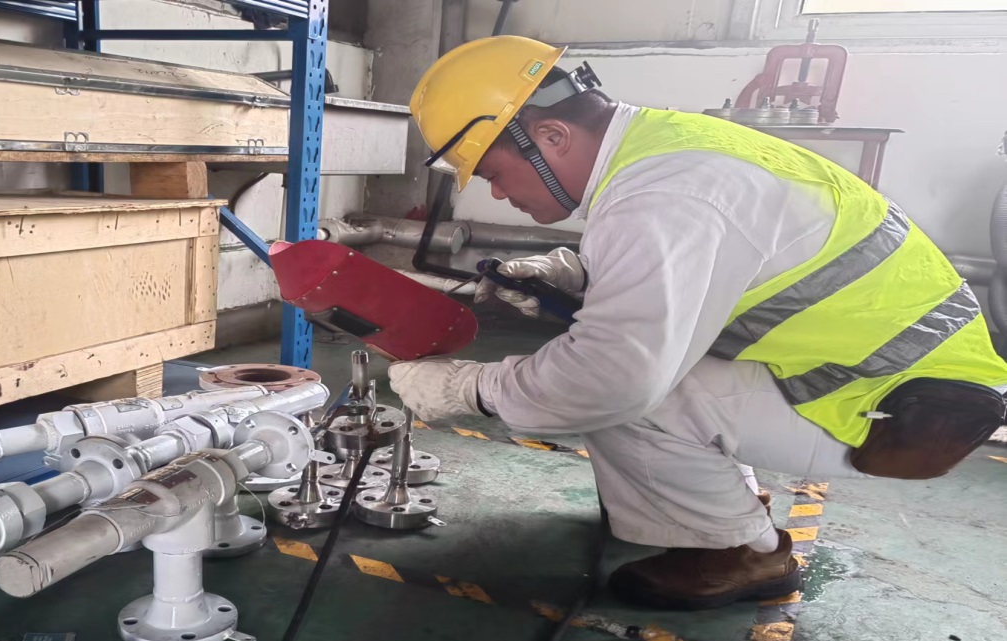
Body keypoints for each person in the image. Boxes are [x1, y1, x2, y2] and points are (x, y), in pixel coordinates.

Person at [388, 35, 1007, 610]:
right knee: (637, 365)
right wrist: (577, 274)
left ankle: (744, 554)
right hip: (901, 380)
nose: (498, 196)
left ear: (551, 136)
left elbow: (611, 376)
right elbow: (722, 266)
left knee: (623, 390)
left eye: (493, 174)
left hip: (901, 410)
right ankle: (714, 505)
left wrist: (469, 388)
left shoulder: (664, 193)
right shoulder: (673, 148)